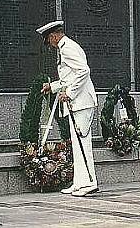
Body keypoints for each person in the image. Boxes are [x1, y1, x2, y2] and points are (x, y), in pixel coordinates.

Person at [36, 20, 98, 197]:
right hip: (77, 103)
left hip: (81, 102)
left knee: (82, 143)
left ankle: (89, 183)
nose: (50, 45)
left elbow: (83, 71)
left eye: (49, 41)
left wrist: (69, 93)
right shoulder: (65, 47)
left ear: (54, 36)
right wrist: (53, 87)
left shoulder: (68, 47)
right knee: (77, 144)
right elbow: (69, 76)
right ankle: (80, 183)